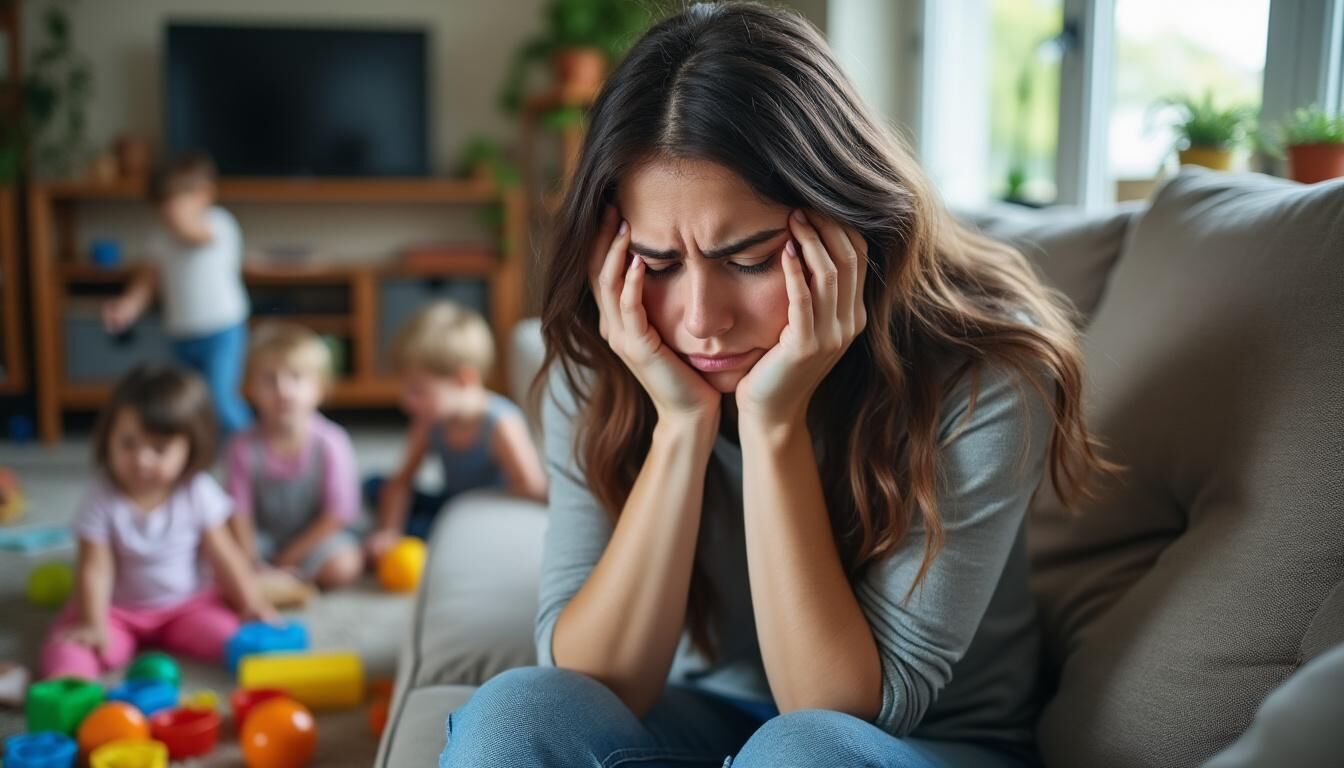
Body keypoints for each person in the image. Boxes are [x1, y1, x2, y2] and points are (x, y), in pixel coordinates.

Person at [439, 3, 1114, 767]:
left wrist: (774, 424)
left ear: (846, 229)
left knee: (803, 752)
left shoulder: (987, 371)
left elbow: (835, 709)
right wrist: (680, 428)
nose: (702, 320)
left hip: (919, 745)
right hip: (707, 719)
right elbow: (595, 682)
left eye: (750, 259)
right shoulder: (605, 357)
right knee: (517, 713)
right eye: (659, 264)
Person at [41, 364, 273, 679]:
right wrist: (93, 623)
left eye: (160, 449)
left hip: (187, 607)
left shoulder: (197, 490)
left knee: (236, 639)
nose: (142, 460)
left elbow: (225, 555)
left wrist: (250, 604)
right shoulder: (101, 497)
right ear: (108, 437)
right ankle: (71, 683)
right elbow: (94, 567)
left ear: (191, 448)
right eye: (128, 443)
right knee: (71, 648)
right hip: (117, 612)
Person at [363, 301, 547, 562]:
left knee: (431, 531)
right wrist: (389, 531)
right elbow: (402, 482)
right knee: (374, 485)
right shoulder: (429, 421)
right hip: (452, 503)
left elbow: (531, 489)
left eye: (418, 391)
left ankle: (437, 540)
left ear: (463, 379)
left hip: (489, 512)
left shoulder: (500, 423)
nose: (406, 402)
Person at [102, 153, 252, 437]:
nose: (168, 213)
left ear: (204, 195)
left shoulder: (220, 223)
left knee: (221, 400)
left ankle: (252, 446)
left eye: (175, 200)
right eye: (162, 205)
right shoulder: (159, 238)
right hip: (182, 336)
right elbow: (147, 282)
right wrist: (127, 307)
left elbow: (199, 237)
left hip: (223, 330)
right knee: (187, 404)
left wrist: (180, 220)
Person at [226, 322, 363, 590]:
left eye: (296, 377)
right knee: (213, 554)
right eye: (270, 379)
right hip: (264, 539)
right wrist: (251, 562)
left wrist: (288, 558)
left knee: (345, 565)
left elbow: (337, 515)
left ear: (319, 388)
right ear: (251, 389)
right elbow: (239, 513)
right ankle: (275, 577)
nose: (283, 390)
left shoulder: (332, 443)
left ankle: (291, 578)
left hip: (315, 537)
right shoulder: (241, 447)